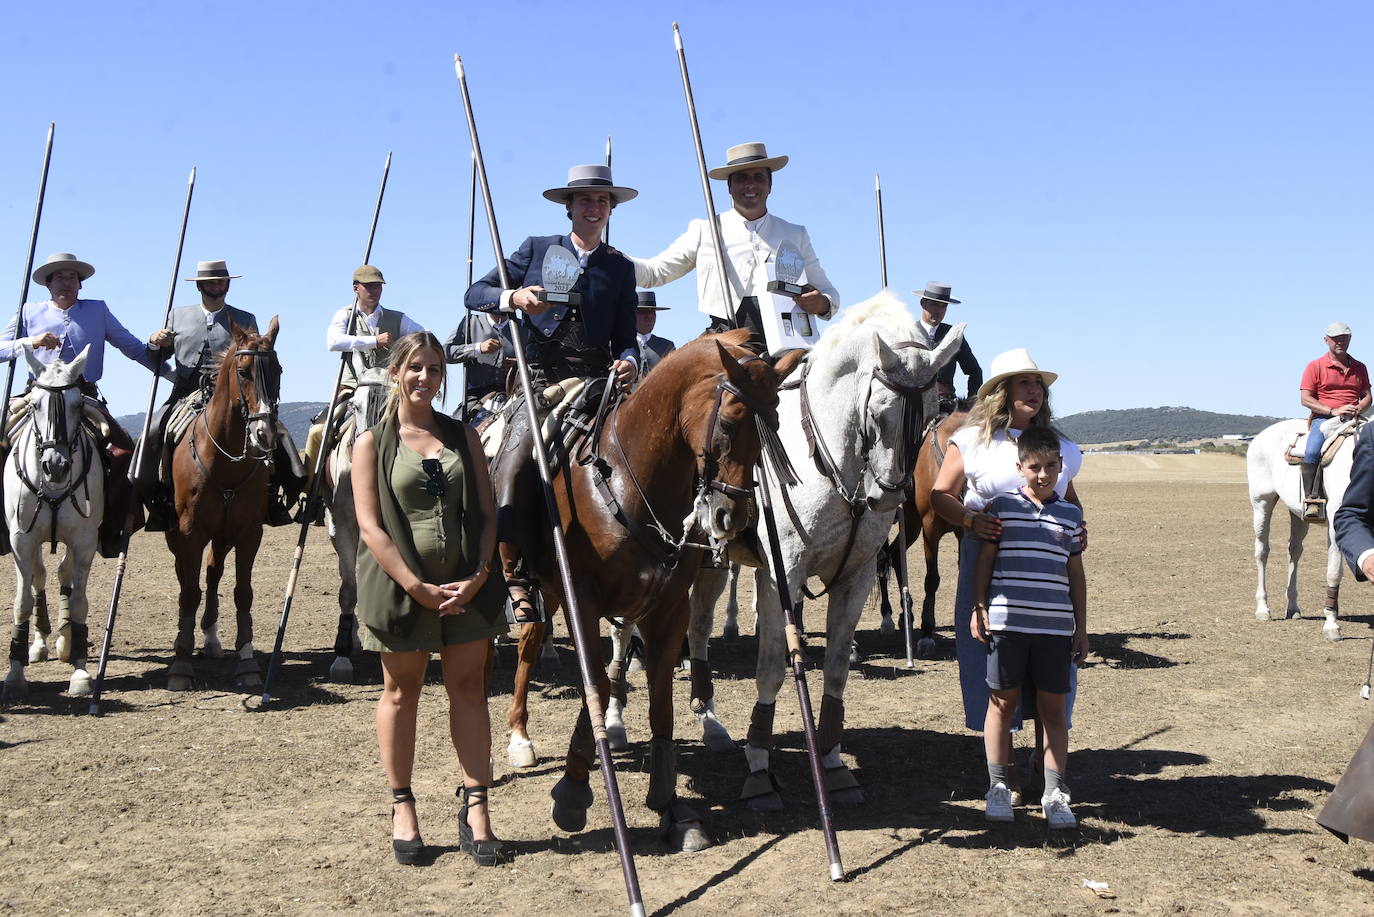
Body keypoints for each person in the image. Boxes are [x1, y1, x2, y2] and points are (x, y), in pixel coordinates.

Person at [352, 331, 509, 866]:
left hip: (467, 588)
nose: (425, 377)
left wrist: (482, 573)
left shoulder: (465, 436)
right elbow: (371, 528)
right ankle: (402, 805)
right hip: (401, 591)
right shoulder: (371, 443)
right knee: (402, 692)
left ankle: (478, 806)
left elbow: (488, 514)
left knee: (469, 688)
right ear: (397, 373)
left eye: (435, 369)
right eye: (415, 367)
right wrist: (414, 585)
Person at [465, 164, 639, 622]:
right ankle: (515, 570)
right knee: (516, 458)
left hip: (598, 383)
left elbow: (624, 334)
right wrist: (515, 298)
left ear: (610, 209)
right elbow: (475, 292)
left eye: (602, 201)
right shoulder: (536, 249)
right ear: (569, 206)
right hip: (541, 381)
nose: (593, 207)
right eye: (585, 199)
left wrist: (630, 359)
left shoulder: (619, 267)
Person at [930, 348, 1085, 800]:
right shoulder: (973, 439)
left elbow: (1069, 498)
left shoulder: (1060, 447)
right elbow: (942, 494)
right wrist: (969, 521)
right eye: (1025, 382)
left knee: (1050, 662)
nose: (1035, 390)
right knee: (992, 661)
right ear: (1001, 393)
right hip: (988, 557)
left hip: (1046, 563)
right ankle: (1006, 772)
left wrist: (1080, 526)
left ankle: (1045, 763)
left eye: (1039, 383)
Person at [0, 252, 173, 557]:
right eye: (59, 277)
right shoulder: (28, 312)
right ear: (48, 284)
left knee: (123, 452)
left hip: (83, 396)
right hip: (35, 396)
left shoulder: (98, 311)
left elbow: (133, 348)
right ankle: (3, 528)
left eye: (72, 277)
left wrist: (172, 372)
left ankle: (112, 529)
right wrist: (30, 342)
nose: (66, 282)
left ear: (80, 285)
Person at [970, 425, 1087, 828]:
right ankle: (998, 787)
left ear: (1060, 468)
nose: (1042, 475)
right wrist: (979, 606)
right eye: (1034, 467)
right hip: (1006, 625)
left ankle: (1055, 793)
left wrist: (1082, 627)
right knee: (1001, 705)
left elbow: (1076, 574)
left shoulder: (1071, 515)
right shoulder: (1001, 507)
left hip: (1055, 628)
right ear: (1020, 467)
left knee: (1053, 710)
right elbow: (984, 562)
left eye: (1051, 467)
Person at [138, 260, 300, 529]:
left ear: (227, 284)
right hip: (186, 393)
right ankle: (158, 499)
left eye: (221, 281)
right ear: (200, 285)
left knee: (276, 430)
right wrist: (156, 343)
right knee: (153, 431)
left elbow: (255, 360)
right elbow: (157, 357)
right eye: (211, 281)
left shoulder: (245, 318)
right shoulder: (177, 315)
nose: (217, 285)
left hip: (234, 395)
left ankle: (274, 495)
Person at [630, 142, 838, 350]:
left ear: (770, 185)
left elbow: (829, 293)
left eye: (758, 177)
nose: (750, 185)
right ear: (730, 186)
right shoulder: (705, 230)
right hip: (726, 342)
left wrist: (821, 303)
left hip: (790, 343)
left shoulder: (795, 234)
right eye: (742, 178)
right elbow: (654, 273)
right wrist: (608, 255)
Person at [303, 265, 426, 476]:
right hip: (352, 389)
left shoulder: (398, 318)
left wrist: (403, 347)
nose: (374, 291)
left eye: (378, 286)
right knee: (318, 432)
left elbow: (423, 337)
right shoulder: (345, 315)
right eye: (369, 286)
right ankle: (311, 493)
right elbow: (333, 341)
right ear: (355, 288)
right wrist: (374, 341)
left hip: (391, 390)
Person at [1299, 321, 1370, 520]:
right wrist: (1333, 410)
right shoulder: (1315, 366)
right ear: (1326, 340)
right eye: (1336, 338)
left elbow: (1367, 396)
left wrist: (1359, 407)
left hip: (1354, 417)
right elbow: (1305, 399)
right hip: (1325, 419)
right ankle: (1313, 500)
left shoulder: (1359, 367)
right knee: (1312, 449)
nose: (1341, 342)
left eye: (1344, 338)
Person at [915, 282, 982, 415]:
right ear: (923, 303)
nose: (939, 311)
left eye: (943, 306)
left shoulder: (954, 335)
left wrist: (970, 406)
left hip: (945, 406)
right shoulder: (906, 333)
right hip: (915, 406)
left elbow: (975, 371)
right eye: (934, 304)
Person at [443, 309, 509, 424]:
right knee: (455, 433)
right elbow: (445, 353)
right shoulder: (470, 322)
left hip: (514, 394)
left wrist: (519, 365)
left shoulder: (523, 327)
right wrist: (477, 348)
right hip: (477, 397)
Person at [634, 291, 675, 376]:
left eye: (653, 312)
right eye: (643, 312)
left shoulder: (667, 347)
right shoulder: (621, 345)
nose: (649, 317)